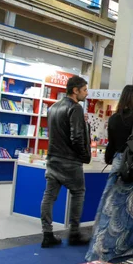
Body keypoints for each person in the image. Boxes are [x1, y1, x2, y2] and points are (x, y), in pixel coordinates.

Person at [86, 85, 133, 261]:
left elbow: (111, 146)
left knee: (111, 207)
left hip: (118, 164)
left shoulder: (112, 119)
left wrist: (110, 160)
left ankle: (102, 246)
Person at [41, 76, 91, 248]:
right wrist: (84, 155)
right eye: (84, 89)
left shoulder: (52, 107)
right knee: (78, 192)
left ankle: (47, 234)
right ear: (75, 90)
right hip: (70, 160)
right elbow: (77, 136)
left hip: (52, 158)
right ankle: (74, 232)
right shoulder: (75, 108)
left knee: (49, 196)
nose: (86, 93)